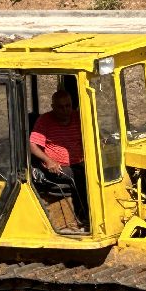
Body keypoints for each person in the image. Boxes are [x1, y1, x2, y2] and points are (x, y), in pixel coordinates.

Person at [29, 89, 89, 228]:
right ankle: (84, 216)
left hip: (80, 162)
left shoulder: (79, 117)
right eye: (60, 107)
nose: (65, 110)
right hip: (57, 167)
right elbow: (32, 145)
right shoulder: (44, 121)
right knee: (79, 176)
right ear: (53, 107)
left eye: (68, 105)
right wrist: (49, 161)